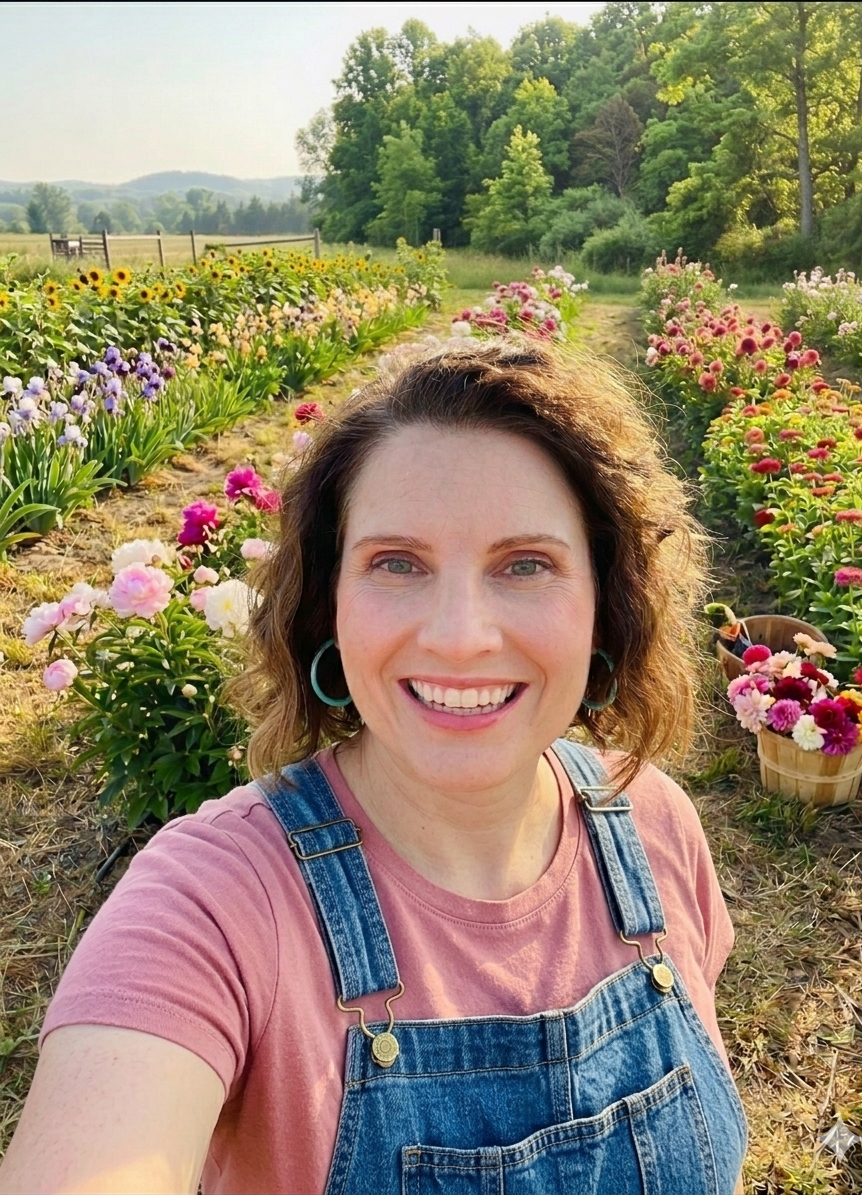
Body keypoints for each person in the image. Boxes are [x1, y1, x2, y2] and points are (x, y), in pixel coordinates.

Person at [0, 340, 747, 1194]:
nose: (459, 635)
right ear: (328, 601)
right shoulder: (214, 902)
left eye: (525, 564)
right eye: (398, 563)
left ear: (605, 601)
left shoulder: (654, 824)